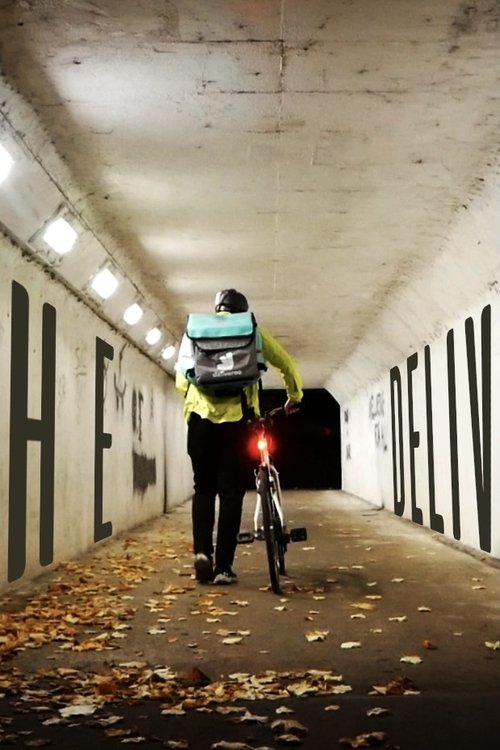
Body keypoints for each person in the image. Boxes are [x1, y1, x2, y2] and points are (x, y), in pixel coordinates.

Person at [175, 289, 303, 585]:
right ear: (243, 311)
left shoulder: (195, 332)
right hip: (238, 420)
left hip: (201, 422)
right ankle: (223, 567)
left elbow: (182, 378)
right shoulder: (252, 330)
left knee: (203, 488)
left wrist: (201, 397)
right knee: (230, 493)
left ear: (217, 308)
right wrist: (294, 396)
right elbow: (287, 364)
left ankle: (202, 554)